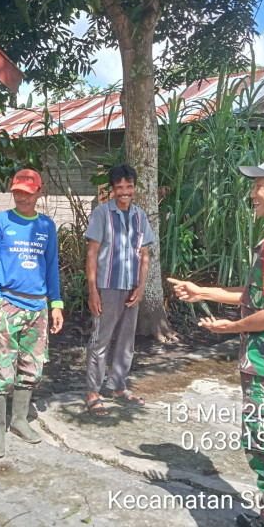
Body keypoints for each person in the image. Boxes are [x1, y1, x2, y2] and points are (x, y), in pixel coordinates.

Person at [168, 154, 264, 527]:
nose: (253, 194)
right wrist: (204, 292)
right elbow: (262, 296)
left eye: (259, 186)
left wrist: (229, 329)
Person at [0, 168, 64, 458]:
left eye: (28, 193)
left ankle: (19, 420)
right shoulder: (0, 221)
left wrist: (56, 304)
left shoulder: (46, 225)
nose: (22, 197)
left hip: (38, 306)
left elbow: (51, 266)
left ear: (39, 193)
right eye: (18, 192)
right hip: (8, 304)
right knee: (1, 367)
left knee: (32, 366)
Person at [84, 163, 153, 417]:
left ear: (134, 187)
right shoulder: (102, 214)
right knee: (100, 339)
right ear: (112, 189)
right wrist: (93, 290)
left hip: (131, 287)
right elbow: (92, 253)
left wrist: (142, 286)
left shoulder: (140, 217)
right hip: (107, 286)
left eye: (129, 186)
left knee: (126, 340)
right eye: (119, 187)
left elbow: (144, 254)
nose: (125, 191)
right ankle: (93, 392)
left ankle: (118, 386)